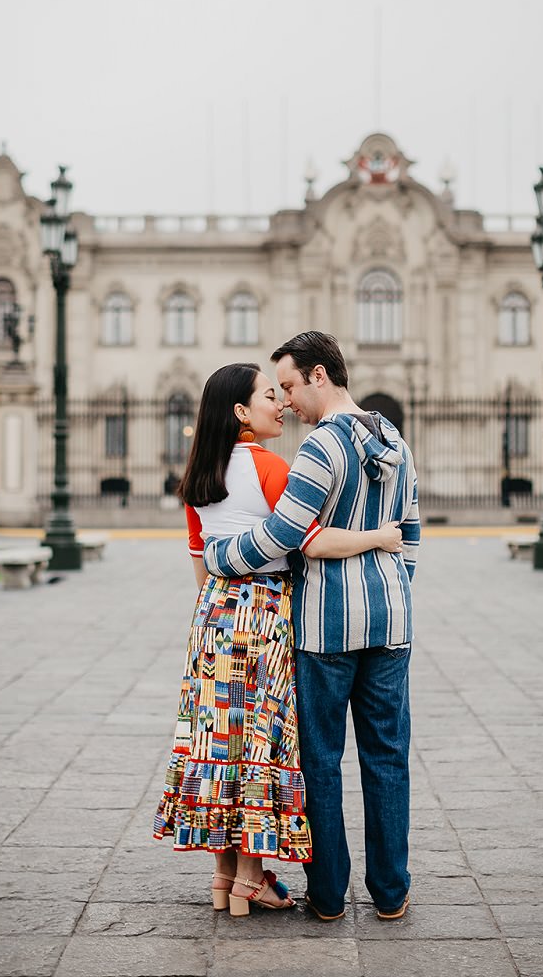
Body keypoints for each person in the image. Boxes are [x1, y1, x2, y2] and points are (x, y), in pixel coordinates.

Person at [152, 361, 403, 917]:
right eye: (271, 395)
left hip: (213, 617)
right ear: (241, 412)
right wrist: (381, 536)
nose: (281, 404)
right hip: (263, 614)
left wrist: (214, 610)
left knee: (218, 745)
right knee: (259, 747)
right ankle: (249, 879)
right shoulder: (269, 467)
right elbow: (309, 541)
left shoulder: (198, 474)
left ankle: (226, 878)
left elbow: (200, 558)